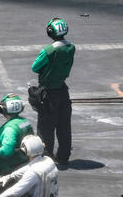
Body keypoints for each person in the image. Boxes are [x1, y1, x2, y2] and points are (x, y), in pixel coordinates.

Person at [32, 18, 75, 168]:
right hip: (63, 91)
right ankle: (63, 157)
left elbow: (35, 67)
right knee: (64, 126)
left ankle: (46, 158)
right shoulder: (71, 47)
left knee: (45, 128)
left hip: (48, 94)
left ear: (50, 32)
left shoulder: (48, 50)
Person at [0, 93, 34, 176]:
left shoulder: (9, 129)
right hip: (25, 163)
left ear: (2, 110)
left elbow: (6, 152)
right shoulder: (25, 122)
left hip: (11, 169)